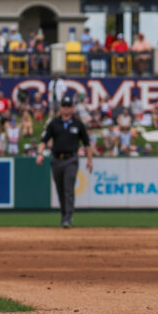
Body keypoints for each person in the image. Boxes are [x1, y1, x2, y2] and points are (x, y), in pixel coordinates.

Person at [36, 97, 93, 228]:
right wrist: (40, 154)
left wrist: (90, 160)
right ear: (60, 108)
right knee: (60, 189)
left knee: (68, 188)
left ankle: (68, 216)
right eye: (64, 106)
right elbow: (44, 140)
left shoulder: (78, 124)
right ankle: (64, 214)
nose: (66, 108)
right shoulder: (54, 123)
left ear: (72, 108)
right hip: (56, 160)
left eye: (69, 106)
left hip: (71, 160)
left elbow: (87, 144)